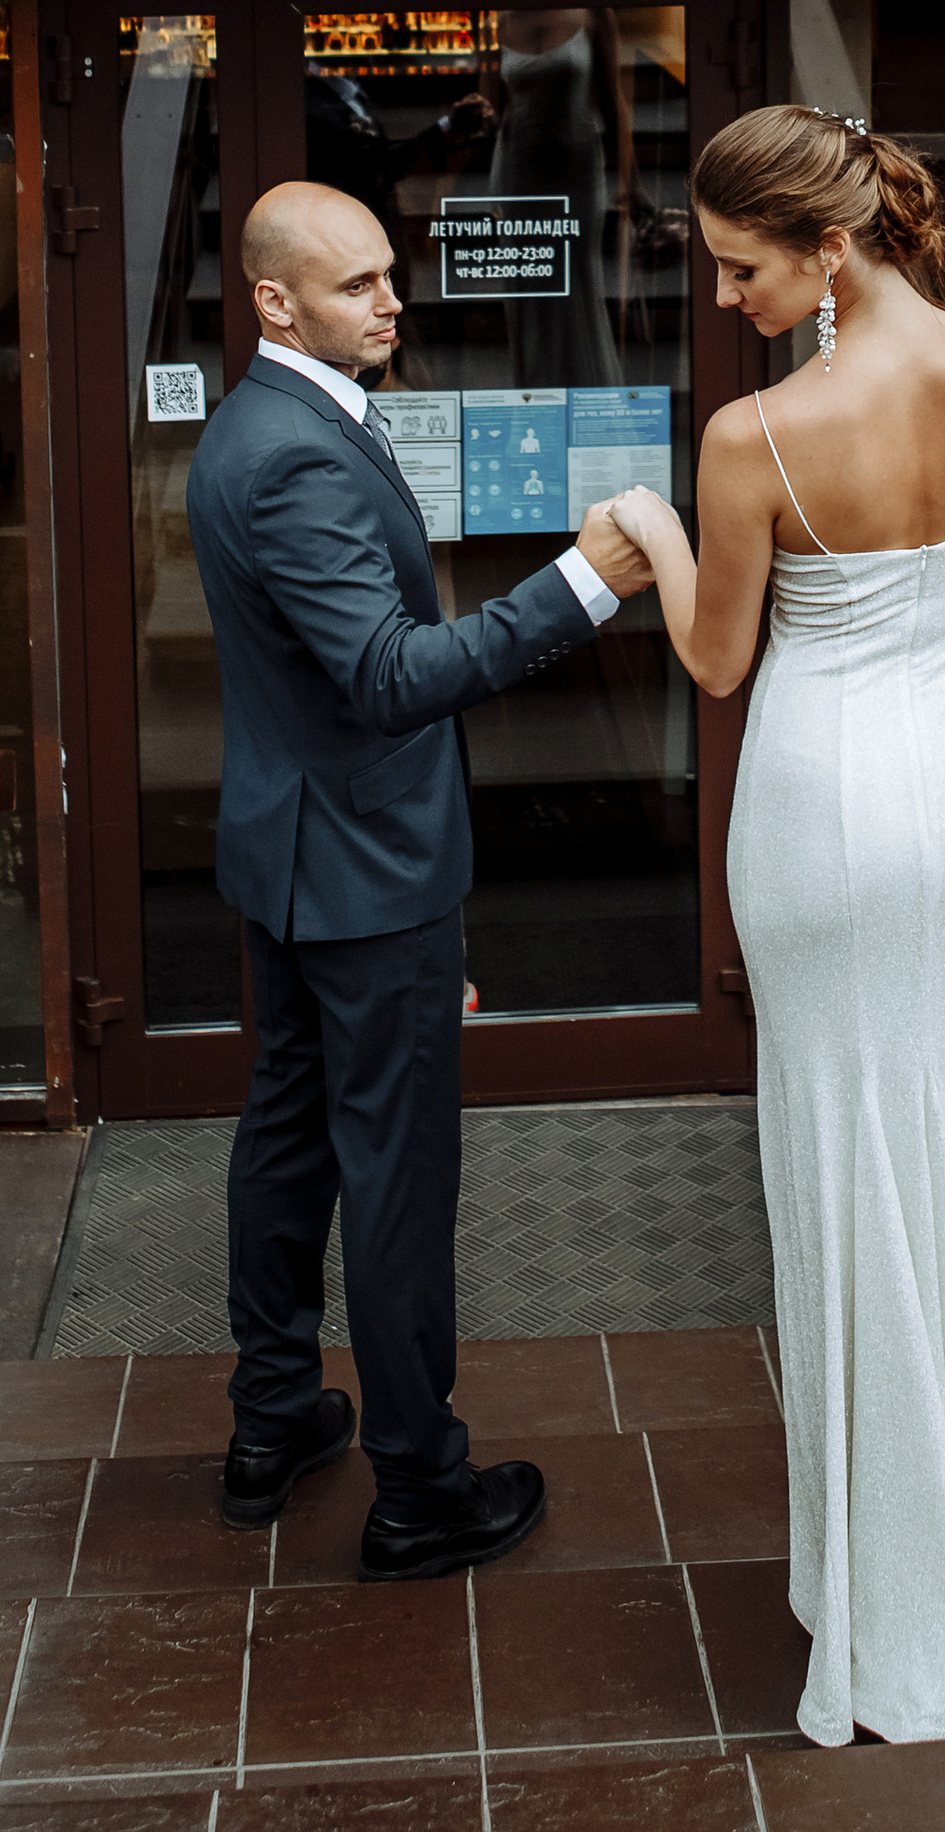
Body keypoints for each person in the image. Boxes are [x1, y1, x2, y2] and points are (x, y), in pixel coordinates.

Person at [601, 107, 945, 1747]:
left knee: (845, 1173)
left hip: (825, 809)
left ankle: (897, 1588)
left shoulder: (754, 437)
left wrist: (649, 529)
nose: (725, 299)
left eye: (741, 267)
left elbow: (715, 662)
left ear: (830, 249)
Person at [185, 176, 654, 1579]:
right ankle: (418, 1487)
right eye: (357, 284)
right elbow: (388, 676)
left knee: (286, 1133)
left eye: (390, 274)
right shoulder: (297, 454)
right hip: (366, 874)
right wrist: (582, 581)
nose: (393, 300)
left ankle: (273, 1419)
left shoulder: (258, 427)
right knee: (394, 1173)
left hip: (291, 855)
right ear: (276, 302)